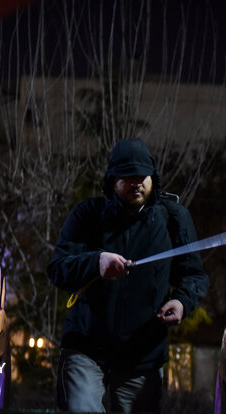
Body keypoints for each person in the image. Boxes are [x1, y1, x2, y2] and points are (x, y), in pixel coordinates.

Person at [47, 139, 209, 413]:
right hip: (86, 346)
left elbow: (193, 274)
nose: (136, 183)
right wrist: (95, 262)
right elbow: (58, 269)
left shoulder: (174, 218)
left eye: (142, 176)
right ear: (112, 180)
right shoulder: (87, 215)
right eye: (127, 177)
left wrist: (182, 301)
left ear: (153, 178)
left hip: (142, 355)